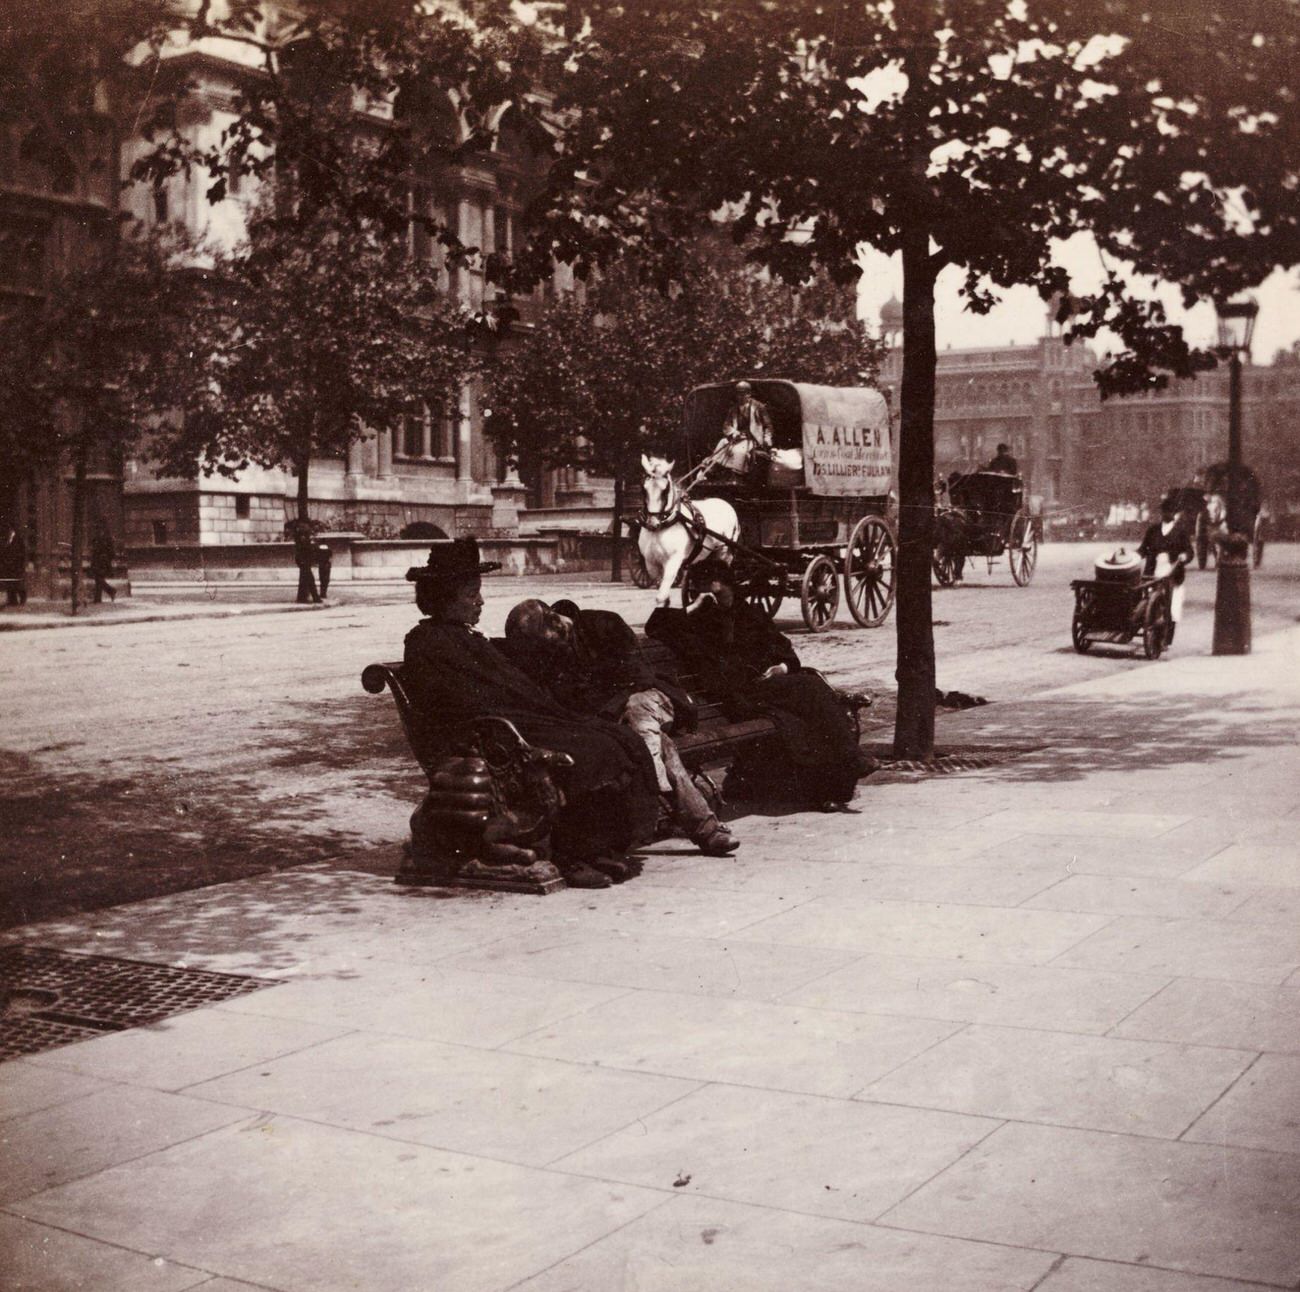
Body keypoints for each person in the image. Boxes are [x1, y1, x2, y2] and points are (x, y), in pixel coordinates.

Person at [402, 539, 660, 888]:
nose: (480, 601)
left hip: (513, 723)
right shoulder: (427, 642)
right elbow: (455, 703)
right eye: (471, 594)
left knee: (614, 737)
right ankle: (572, 855)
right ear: (445, 598)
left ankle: (596, 847)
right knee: (588, 751)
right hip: (487, 736)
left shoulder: (464, 636)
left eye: (478, 592)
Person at [499, 597, 739, 857]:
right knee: (656, 744)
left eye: (549, 642)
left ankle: (656, 784)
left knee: (637, 711)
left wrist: (605, 711)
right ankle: (708, 830)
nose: (550, 650)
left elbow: (638, 678)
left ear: (556, 623)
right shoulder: (551, 653)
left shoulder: (604, 624)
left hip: (652, 699)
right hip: (620, 722)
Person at [645, 564, 865, 809]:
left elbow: (782, 648)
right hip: (736, 695)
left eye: (702, 584)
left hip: (763, 687)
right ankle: (851, 763)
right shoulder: (698, 620)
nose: (698, 589)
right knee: (810, 690)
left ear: (719, 584)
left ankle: (834, 784)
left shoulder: (750, 614)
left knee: (801, 712)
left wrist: (782, 667)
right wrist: (693, 607)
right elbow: (654, 626)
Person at [1138, 494, 1194, 643]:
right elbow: (1143, 549)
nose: (1167, 515)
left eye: (1170, 512)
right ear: (1161, 513)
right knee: (1153, 604)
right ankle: (1154, 635)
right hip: (1154, 573)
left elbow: (1190, 552)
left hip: (1172, 573)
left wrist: (1184, 556)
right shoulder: (1153, 530)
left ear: (1175, 514)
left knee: (1172, 606)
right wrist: (1134, 556)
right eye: (1164, 512)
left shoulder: (1181, 532)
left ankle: (1166, 639)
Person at [713, 380, 774, 486]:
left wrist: (767, 438)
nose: (740, 397)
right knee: (722, 443)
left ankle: (737, 477)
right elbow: (726, 425)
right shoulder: (733, 409)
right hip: (737, 438)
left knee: (739, 451)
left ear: (749, 394)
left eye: (743, 394)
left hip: (754, 439)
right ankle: (712, 469)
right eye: (738, 394)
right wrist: (733, 432)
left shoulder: (759, 407)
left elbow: (768, 425)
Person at [291, 520, 321, 603]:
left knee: (305, 580)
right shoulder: (302, 537)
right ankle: (315, 597)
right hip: (304, 562)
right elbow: (304, 550)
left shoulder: (303, 536)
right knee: (310, 580)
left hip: (304, 561)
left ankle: (304, 597)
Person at [89, 518, 116, 604]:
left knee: (99, 578)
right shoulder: (98, 537)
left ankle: (109, 591)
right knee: (98, 578)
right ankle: (100, 598)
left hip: (103, 560)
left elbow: (111, 551)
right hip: (98, 560)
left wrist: (109, 559)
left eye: (100, 527)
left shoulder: (107, 538)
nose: (99, 529)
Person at [1, 522, 27, 607]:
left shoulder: (18, 539)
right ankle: (12, 600)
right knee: (10, 583)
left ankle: (22, 600)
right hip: (9, 565)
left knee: (18, 583)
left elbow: (22, 552)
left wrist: (20, 563)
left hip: (17, 565)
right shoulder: (7, 538)